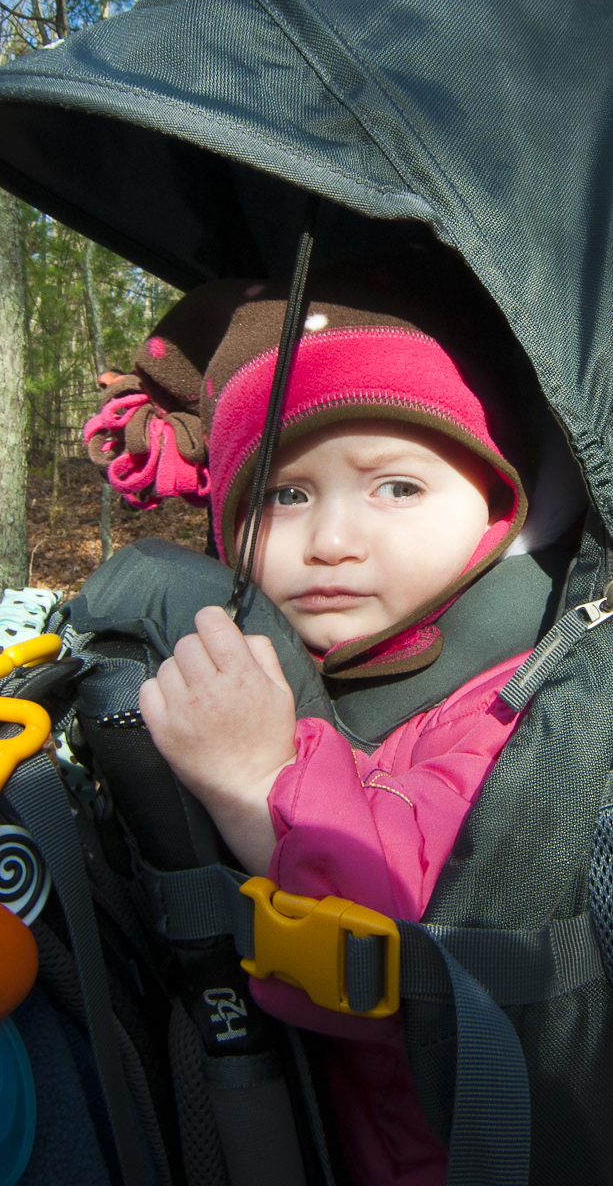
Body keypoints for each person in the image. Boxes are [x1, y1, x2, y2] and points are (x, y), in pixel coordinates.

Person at [81, 243, 586, 1186]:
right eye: (284, 494)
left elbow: (405, 940)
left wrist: (256, 780)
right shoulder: (305, 661)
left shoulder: (518, 701)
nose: (332, 541)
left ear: (500, 505)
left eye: (395, 486)